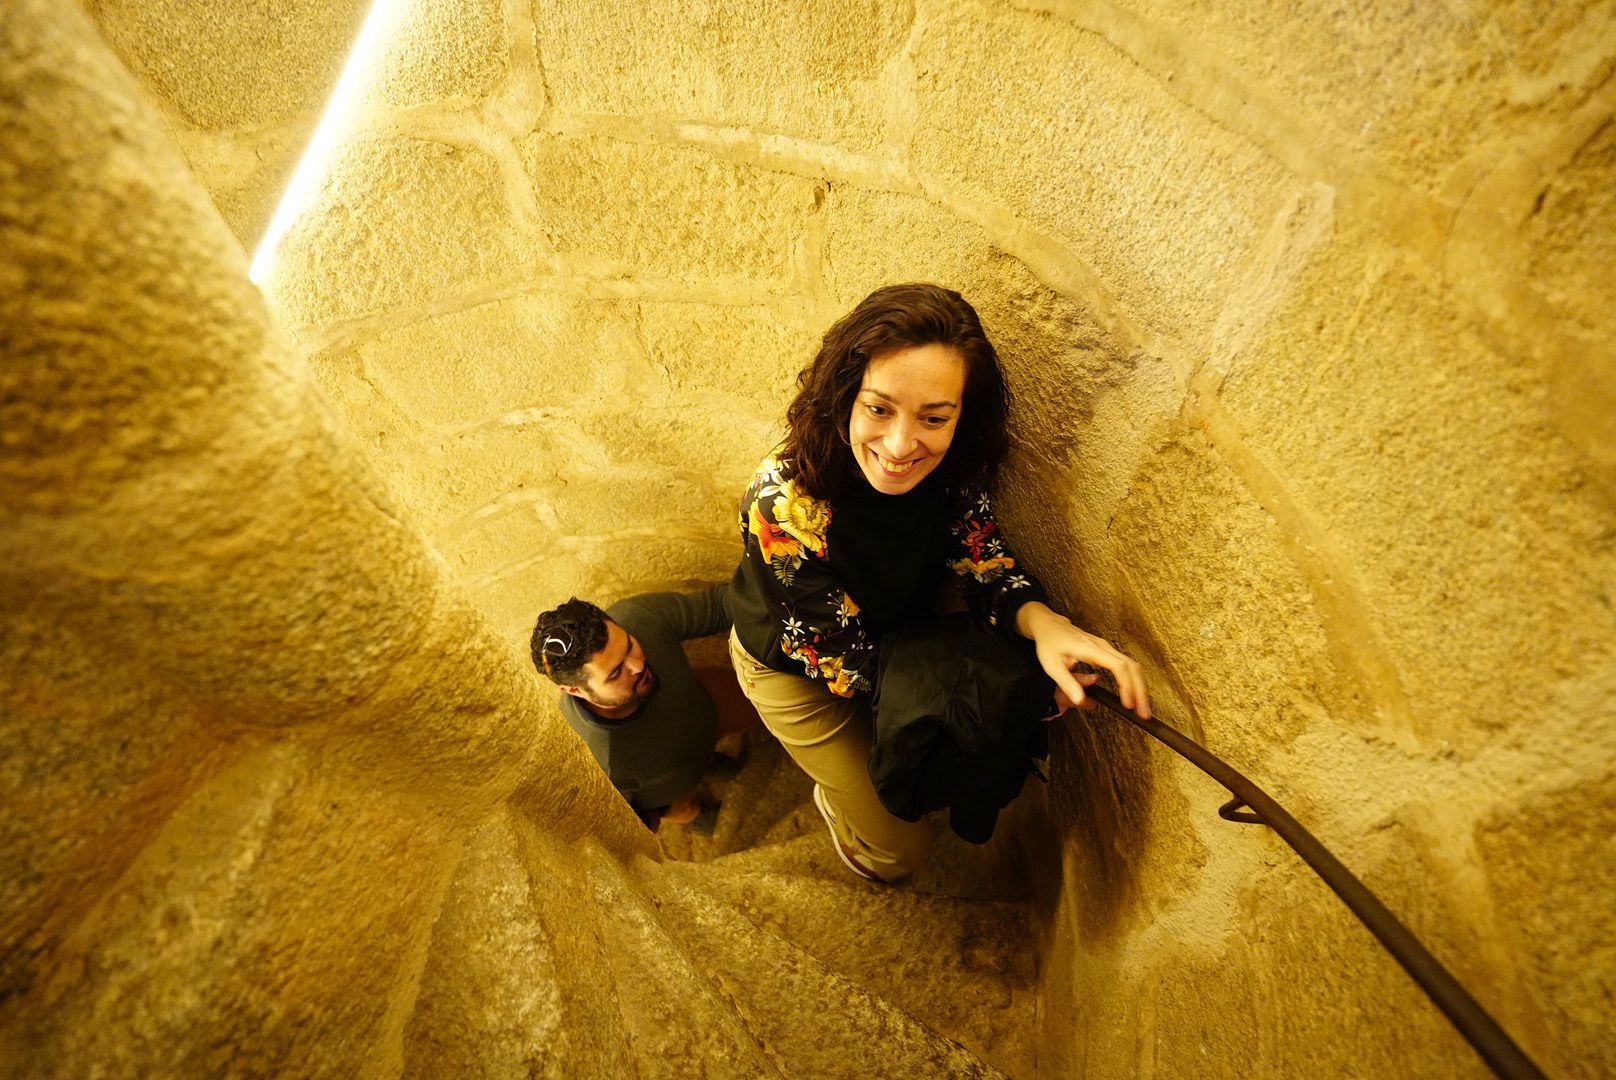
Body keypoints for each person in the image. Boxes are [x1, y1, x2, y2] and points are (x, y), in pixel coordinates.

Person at [727, 282, 1151, 882]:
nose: (901, 446)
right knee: (900, 852)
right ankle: (838, 805)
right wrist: (1014, 687)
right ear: (845, 396)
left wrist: (1046, 625)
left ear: (962, 417)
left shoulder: (951, 467)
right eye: (878, 409)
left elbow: (981, 559)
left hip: (891, 642)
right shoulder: (784, 498)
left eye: (934, 417)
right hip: (796, 666)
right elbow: (845, 666)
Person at [531, 586, 755, 832]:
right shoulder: (595, 765)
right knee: (690, 811)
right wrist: (662, 813)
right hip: (671, 791)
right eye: (616, 672)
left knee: (753, 705)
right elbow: (630, 826)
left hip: (700, 712)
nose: (638, 664)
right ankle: (701, 813)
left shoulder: (637, 617)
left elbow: (721, 605)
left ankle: (714, 764)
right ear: (575, 691)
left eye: (629, 645)